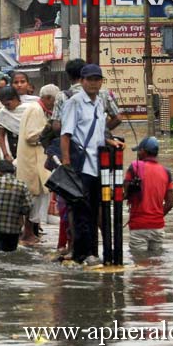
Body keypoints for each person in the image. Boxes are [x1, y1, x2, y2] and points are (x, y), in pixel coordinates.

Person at [60, 64, 124, 265]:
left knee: (96, 209)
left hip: (98, 166)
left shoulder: (99, 103)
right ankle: (83, 254)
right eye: (90, 79)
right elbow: (66, 134)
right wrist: (67, 163)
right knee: (82, 213)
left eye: (97, 79)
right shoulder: (74, 102)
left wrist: (109, 141)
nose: (94, 83)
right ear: (82, 81)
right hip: (80, 166)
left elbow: (97, 132)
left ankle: (93, 253)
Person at [17, 84, 58, 242]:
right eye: (53, 102)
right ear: (47, 98)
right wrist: (49, 129)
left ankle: (32, 232)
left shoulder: (39, 109)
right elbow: (31, 136)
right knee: (33, 198)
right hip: (32, 161)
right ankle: (28, 233)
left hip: (36, 160)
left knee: (38, 196)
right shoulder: (35, 110)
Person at [123, 137, 173, 253]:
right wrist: (157, 217)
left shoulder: (134, 167)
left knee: (139, 263)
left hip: (138, 225)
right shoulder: (166, 172)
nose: (137, 154)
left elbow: (125, 193)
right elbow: (170, 203)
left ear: (144, 152)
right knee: (156, 264)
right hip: (158, 226)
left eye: (138, 151)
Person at [51, 58, 122, 134]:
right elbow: (118, 118)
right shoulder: (104, 94)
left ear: (69, 77)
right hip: (98, 143)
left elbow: (56, 127)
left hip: (72, 143)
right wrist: (100, 131)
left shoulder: (62, 96)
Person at [0, 160, 32, 251]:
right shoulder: (22, 185)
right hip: (14, 228)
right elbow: (28, 206)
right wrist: (20, 213)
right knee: (12, 252)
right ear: (14, 171)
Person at [0, 86, 27, 162]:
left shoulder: (28, 109)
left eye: (8, 104)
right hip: (14, 148)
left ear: (15, 98)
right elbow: (1, 136)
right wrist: (6, 154)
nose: (6, 107)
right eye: (4, 105)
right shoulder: (3, 113)